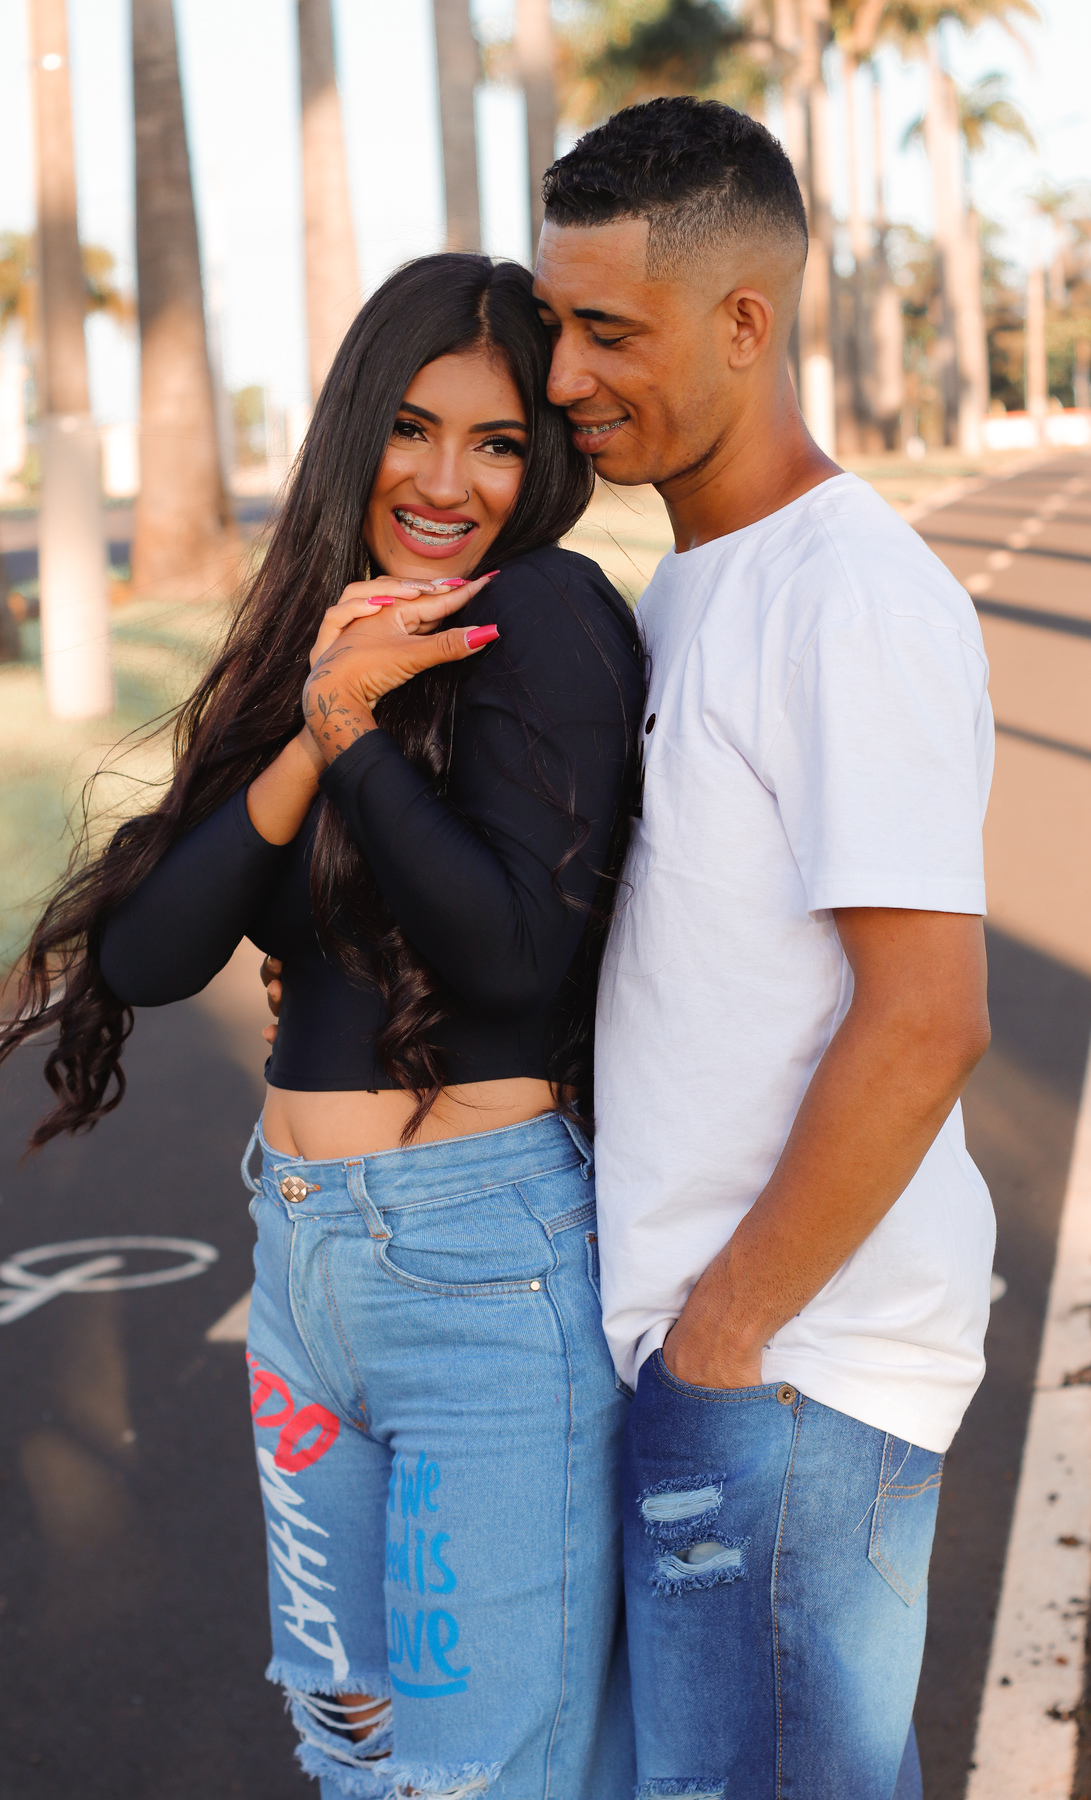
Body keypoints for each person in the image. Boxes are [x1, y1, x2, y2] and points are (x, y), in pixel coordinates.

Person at [1, 255, 644, 1798]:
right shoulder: (326, 630)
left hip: (484, 1264)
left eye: (496, 443)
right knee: (351, 1746)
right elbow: (149, 954)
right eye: (411, 428)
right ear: (356, 428)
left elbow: (509, 958)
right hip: (300, 1263)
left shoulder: (541, 611)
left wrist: (355, 736)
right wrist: (314, 717)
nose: (446, 481)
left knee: (480, 1773)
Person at [532, 99, 995, 1799]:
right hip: (729, 1370)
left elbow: (927, 1017)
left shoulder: (845, 596)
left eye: (608, 330)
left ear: (744, 321)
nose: (563, 376)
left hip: (787, 1377)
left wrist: (721, 1345)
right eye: (554, 324)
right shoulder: (692, 587)